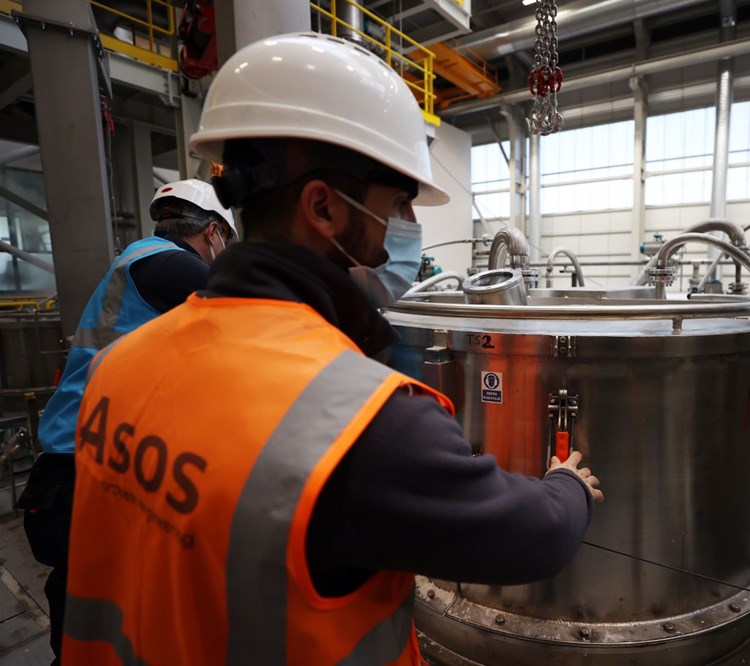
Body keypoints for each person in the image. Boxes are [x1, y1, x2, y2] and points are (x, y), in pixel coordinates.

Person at [62, 33, 603, 665]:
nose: (407, 230)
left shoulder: (119, 366)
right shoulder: (360, 421)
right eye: (399, 204)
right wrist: (566, 487)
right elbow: (532, 536)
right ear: (323, 207)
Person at [16, 179, 236, 664]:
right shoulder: (169, 264)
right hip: (84, 464)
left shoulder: (141, 261)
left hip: (85, 454)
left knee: (96, 605)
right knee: (94, 610)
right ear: (213, 232)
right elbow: (250, 309)